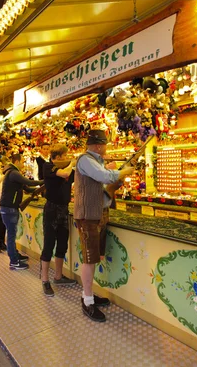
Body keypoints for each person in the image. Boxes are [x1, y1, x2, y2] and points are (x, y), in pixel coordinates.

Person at [75, 130, 134, 322]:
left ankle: (89, 295)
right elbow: (103, 177)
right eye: (105, 145)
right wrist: (121, 172)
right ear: (99, 146)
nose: (107, 148)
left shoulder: (96, 162)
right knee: (89, 259)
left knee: (96, 257)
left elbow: (105, 184)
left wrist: (115, 176)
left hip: (99, 214)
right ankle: (88, 300)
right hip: (88, 216)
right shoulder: (85, 160)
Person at [40, 144, 77, 296]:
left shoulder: (68, 169)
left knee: (62, 244)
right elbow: (63, 174)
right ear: (57, 157)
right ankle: (44, 280)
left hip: (63, 209)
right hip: (51, 209)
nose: (66, 158)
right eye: (64, 156)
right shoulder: (48, 166)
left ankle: (58, 276)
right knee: (49, 244)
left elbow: (75, 178)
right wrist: (73, 164)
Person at [0, 153, 43, 270]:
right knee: (11, 234)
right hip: (9, 208)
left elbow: (27, 188)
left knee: (12, 234)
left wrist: (39, 188)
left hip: (9, 208)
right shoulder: (13, 173)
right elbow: (28, 183)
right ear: (17, 161)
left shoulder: (12, 173)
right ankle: (14, 261)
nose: (24, 163)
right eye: (23, 161)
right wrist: (43, 182)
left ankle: (15, 255)